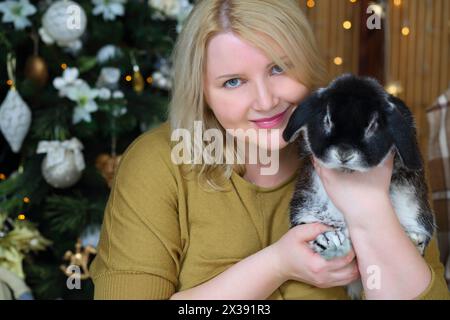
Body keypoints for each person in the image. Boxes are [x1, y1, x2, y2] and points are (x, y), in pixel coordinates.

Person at [89, 0, 449, 299]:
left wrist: (370, 208)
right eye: (233, 82)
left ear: (306, 64)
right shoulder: (158, 163)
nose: (265, 101)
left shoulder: (374, 148)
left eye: (278, 68)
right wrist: (277, 264)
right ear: (202, 94)